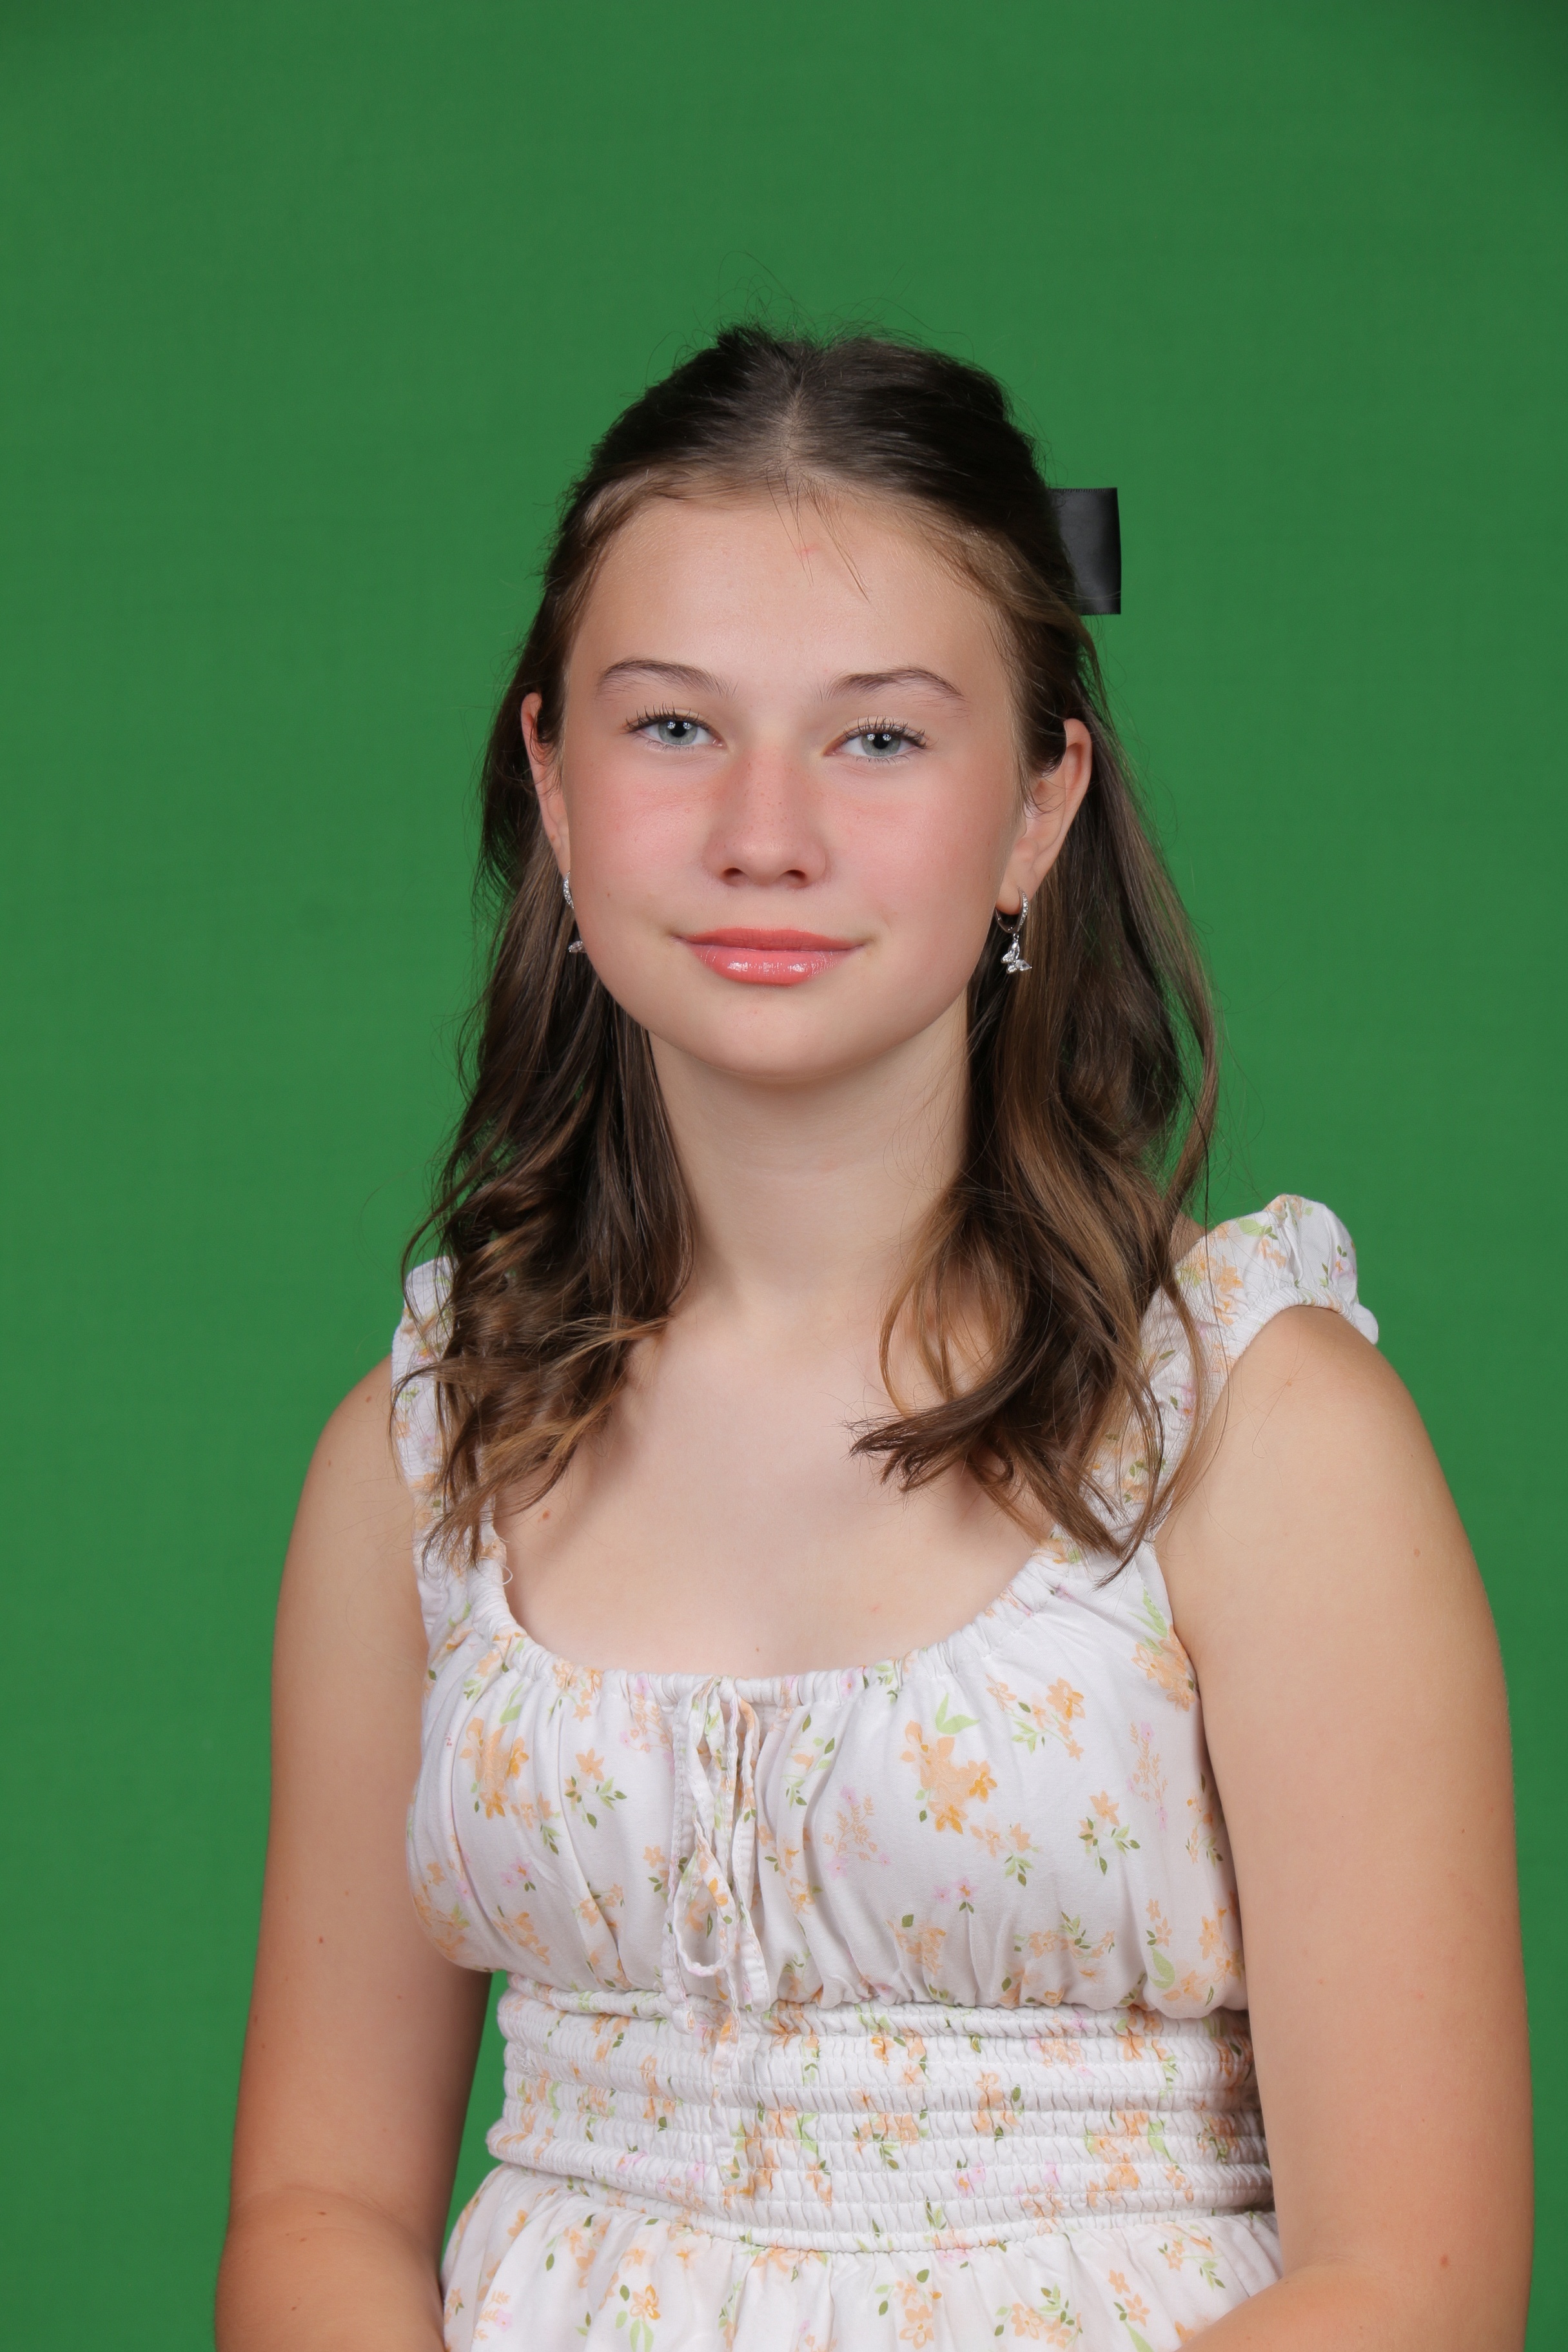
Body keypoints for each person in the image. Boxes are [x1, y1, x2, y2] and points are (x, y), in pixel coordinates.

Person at [216, 329, 1531, 2351]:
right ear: (553, 781)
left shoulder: (1258, 1435)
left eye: (883, 740)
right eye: (675, 727)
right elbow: (321, 2207)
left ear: (1039, 805)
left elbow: (1412, 2285)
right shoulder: (430, 1454)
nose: (769, 833)